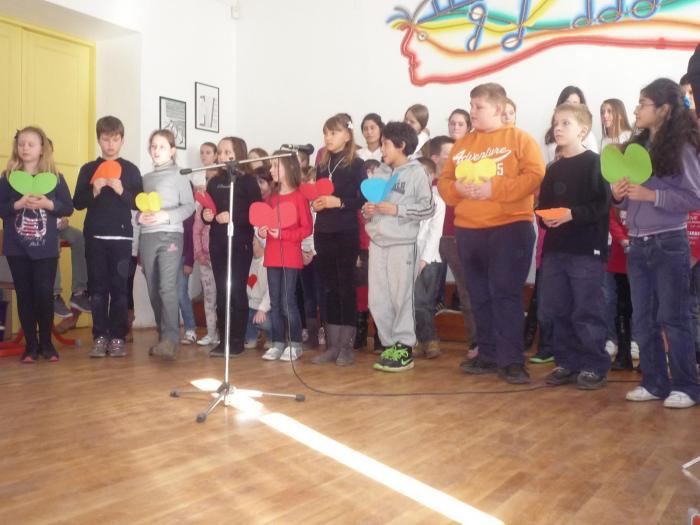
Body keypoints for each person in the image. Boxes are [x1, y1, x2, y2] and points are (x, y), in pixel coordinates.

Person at [438, 83, 545, 384]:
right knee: (478, 295)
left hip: (510, 227)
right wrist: (458, 189)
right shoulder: (462, 145)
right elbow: (444, 183)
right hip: (468, 230)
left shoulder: (520, 139)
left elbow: (535, 176)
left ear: (498, 108)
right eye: (471, 105)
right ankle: (487, 354)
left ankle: (511, 360)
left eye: (478, 107)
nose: (472, 112)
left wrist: (494, 189)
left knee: (505, 293)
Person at [611, 78, 700, 409]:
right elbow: (625, 200)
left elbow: (694, 197)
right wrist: (618, 195)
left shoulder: (682, 148)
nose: (636, 109)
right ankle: (654, 381)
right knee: (643, 318)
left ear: (663, 109)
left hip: (669, 242)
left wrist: (653, 195)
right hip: (637, 243)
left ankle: (686, 386)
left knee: (674, 317)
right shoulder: (636, 147)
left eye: (643, 103)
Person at [537, 102, 612, 389]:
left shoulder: (596, 163)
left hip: (586, 250)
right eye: (556, 123)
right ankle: (566, 362)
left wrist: (572, 214)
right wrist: (546, 218)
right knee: (558, 308)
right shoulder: (553, 169)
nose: (558, 128)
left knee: (587, 309)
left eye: (565, 123)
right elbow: (543, 208)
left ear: (583, 130)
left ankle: (594, 365)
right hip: (556, 249)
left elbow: (602, 205)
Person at [363, 121, 435, 372]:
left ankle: (404, 346)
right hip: (377, 243)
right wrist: (368, 210)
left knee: (401, 297)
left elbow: (428, 208)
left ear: (401, 145)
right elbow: (370, 206)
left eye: (385, 144)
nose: (381, 149)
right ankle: (389, 344)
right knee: (377, 298)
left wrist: (397, 209)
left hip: (402, 245)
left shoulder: (416, 173)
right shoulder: (380, 172)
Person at [0, 126, 74, 362]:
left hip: (46, 249)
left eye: (31, 144)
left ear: (42, 148)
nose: (25, 148)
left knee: (44, 294)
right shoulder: (8, 177)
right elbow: (1, 208)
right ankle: (30, 346)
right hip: (17, 248)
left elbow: (68, 207)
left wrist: (48, 204)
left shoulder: (55, 178)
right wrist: (17, 205)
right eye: (21, 144)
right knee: (24, 295)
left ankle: (47, 345)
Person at [73, 115, 143, 357]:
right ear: (98, 140)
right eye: (105, 139)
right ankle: (100, 337)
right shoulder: (88, 169)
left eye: (115, 139)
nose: (110, 144)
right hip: (95, 237)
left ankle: (118, 337)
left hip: (122, 239)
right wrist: (94, 189)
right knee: (98, 290)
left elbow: (139, 203)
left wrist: (122, 190)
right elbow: (77, 203)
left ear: (122, 140)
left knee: (120, 290)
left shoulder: (131, 170)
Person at [311, 113, 366, 366]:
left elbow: (362, 199)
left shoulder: (356, 164)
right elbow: (317, 194)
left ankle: (346, 347)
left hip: (345, 232)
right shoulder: (322, 164)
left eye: (333, 133)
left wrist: (339, 202)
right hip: (323, 231)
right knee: (329, 288)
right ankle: (332, 346)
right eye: (326, 133)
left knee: (345, 287)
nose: (328, 138)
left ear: (347, 135)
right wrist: (317, 203)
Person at [138, 129, 195, 361]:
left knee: (167, 287)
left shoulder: (180, 174)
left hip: (171, 236)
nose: (156, 150)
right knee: (153, 288)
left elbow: (190, 206)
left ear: (172, 150)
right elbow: (138, 209)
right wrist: (138, 217)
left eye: (162, 146)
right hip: (147, 237)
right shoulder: (145, 178)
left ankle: (171, 340)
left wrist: (166, 216)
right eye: (153, 146)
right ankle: (163, 337)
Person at [203, 137, 262, 357]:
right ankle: (224, 340)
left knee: (236, 291)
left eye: (228, 152)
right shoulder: (214, 181)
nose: (223, 156)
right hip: (218, 242)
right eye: (220, 152)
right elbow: (208, 211)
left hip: (239, 243)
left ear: (239, 154)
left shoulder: (248, 181)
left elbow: (255, 214)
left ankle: (237, 340)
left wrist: (233, 217)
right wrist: (207, 215)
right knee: (222, 292)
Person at [259, 152, 313, 361]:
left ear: (289, 168)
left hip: (290, 256)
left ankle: (295, 343)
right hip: (272, 255)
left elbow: (307, 228)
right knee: (275, 301)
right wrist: (262, 230)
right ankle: (278, 342)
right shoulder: (271, 197)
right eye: (271, 166)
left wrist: (284, 234)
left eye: (275, 166)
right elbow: (264, 222)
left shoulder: (299, 197)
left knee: (287, 300)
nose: (271, 170)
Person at [413, 157, 446, 359]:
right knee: (415, 301)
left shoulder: (438, 202)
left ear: (432, 177)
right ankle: (423, 340)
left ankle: (426, 340)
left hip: (431, 260)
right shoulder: (407, 200)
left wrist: (423, 260)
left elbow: (435, 234)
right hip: (410, 258)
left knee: (426, 302)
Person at [193, 141, 219, 346]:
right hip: (205, 257)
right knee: (209, 297)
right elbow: (197, 228)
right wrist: (199, 252)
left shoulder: (223, 203)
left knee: (222, 297)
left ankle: (224, 333)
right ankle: (211, 333)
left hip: (220, 255)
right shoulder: (202, 205)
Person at [543, 86, 598, 164]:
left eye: (575, 104)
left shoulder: (594, 160)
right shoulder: (548, 135)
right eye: (567, 103)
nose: (558, 128)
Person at [52, 221, 90, 317]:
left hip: (56, 224)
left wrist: (62, 219)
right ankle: (54, 295)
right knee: (52, 239)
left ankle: (78, 292)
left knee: (79, 237)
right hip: (40, 225)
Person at [245, 237, 271, 349]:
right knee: (245, 315)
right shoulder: (248, 261)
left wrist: (262, 309)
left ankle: (272, 338)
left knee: (267, 322)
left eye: (253, 242)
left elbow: (270, 291)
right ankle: (251, 337)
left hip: (267, 306)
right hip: (252, 304)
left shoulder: (268, 262)